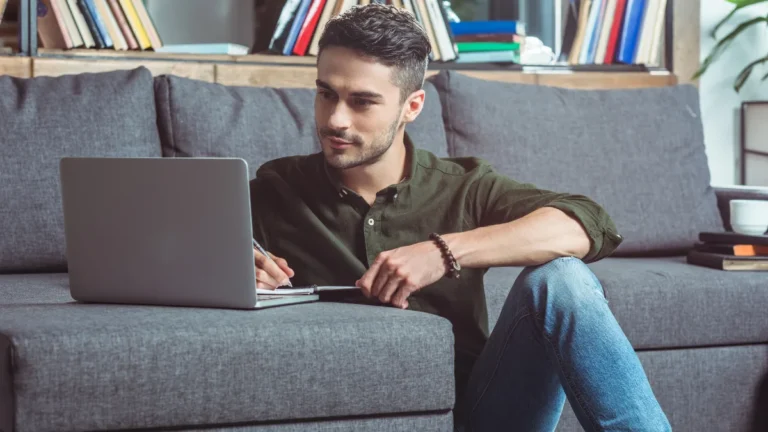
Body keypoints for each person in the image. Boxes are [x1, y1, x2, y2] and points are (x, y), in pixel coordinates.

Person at [249, 4, 670, 431]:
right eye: (326, 94)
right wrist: (240, 276)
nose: (335, 119)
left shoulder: (463, 186)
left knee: (563, 278)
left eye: (362, 102)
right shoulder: (277, 186)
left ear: (412, 106)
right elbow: (189, 255)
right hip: (338, 403)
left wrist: (443, 251)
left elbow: (587, 222)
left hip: (482, 412)